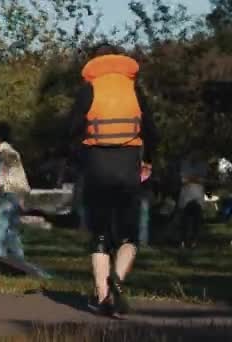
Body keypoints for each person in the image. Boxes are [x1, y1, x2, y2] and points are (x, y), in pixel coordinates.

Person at [67, 44, 159, 317]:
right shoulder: (134, 91)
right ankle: (117, 281)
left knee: (100, 233)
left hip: (96, 165)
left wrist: (77, 157)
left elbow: (70, 129)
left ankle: (103, 295)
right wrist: (148, 159)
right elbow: (152, 131)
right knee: (129, 234)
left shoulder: (89, 90)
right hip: (128, 165)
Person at [0, 123, 31, 262]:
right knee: (12, 230)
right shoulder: (4, 152)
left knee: (0, 228)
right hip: (16, 191)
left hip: (11, 191)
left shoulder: (5, 152)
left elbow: (3, 173)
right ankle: (19, 259)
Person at [178, 150, 209, 248]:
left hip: (198, 196)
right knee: (184, 220)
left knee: (197, 220)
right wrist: (195, 179)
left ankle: (194, 242)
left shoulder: (203, 164)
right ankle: (183, 241)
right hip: (185, 196)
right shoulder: (184, 164)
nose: (195, 154)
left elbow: (203, 180)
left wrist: (190, 179)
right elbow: (183, 180)